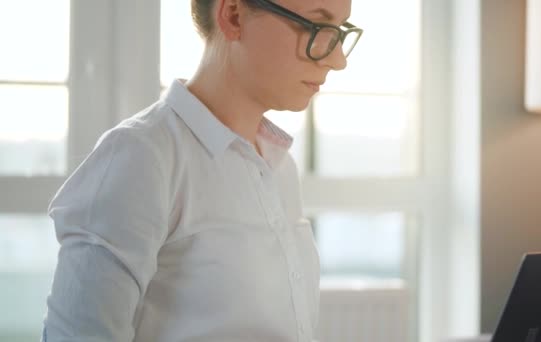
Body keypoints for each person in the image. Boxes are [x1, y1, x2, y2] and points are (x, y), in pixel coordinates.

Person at [42, 0, 362, 340]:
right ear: (233, 15)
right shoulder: (142, 158)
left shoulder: (279, 166)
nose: (338, 59)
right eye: (317, 27)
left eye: (340, 31)